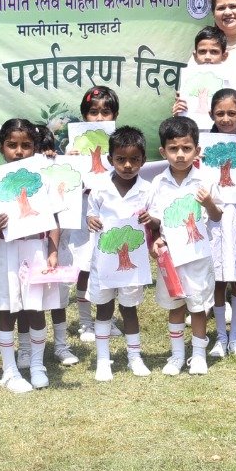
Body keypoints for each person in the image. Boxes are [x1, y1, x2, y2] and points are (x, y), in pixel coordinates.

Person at [140, 116, 224, 376]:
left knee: (198, 307)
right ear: (163, 151)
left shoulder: (206, 180)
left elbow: (217, 215)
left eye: (186, 148)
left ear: (197, 151)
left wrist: (208, 202)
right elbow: (156, 220)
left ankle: (198, 355)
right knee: (175, 306)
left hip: (198, 255)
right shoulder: (158, 183)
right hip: (171, 258)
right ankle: (177, 356)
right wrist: (150, 225)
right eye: (173, 149)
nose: (180, 155)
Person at [0, 118, 60, 393]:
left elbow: (53, 219)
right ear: (1, 147)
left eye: (26, 145)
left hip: (36, 250)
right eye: (12, 145)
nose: (19, 151)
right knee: (7, 310)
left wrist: (52, 251)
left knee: (35, 308)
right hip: (9, 251)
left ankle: (37, 365)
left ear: (36, 147)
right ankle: (9, 369)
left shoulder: (43, 179)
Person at [55, 86, 120, 356]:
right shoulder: (74, 145)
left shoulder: (118, 142)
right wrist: (70, 163)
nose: (99, 118)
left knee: (111, 262)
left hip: (111, 209)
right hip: (83, 212)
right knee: (84, 265)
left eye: (106, 112)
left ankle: (106, 317)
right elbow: (66, 181)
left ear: (115, 114)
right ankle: (85, 321)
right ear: (84, 116)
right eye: (93, 112)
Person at [86, 126, 154, 381]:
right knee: (104, 308)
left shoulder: (147, 190)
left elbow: (156, 219)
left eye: (134, 160)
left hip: (132, 262)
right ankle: (103, 360)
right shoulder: (100, 188)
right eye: (121, 159)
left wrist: (152, 219)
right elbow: (91, 214)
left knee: (129, 309)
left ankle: (135, 357)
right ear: (110, 159)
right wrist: (91, 220)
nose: (127, 165)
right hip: (104, 261)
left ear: (143, 160)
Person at [206, 89, 236, 355]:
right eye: (220, 113)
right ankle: (220, 336)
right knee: (218, 275)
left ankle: (235, 336)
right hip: (214, 215)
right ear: (211, 114)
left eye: (232, 113)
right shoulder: (203, 146)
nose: (225, 118)